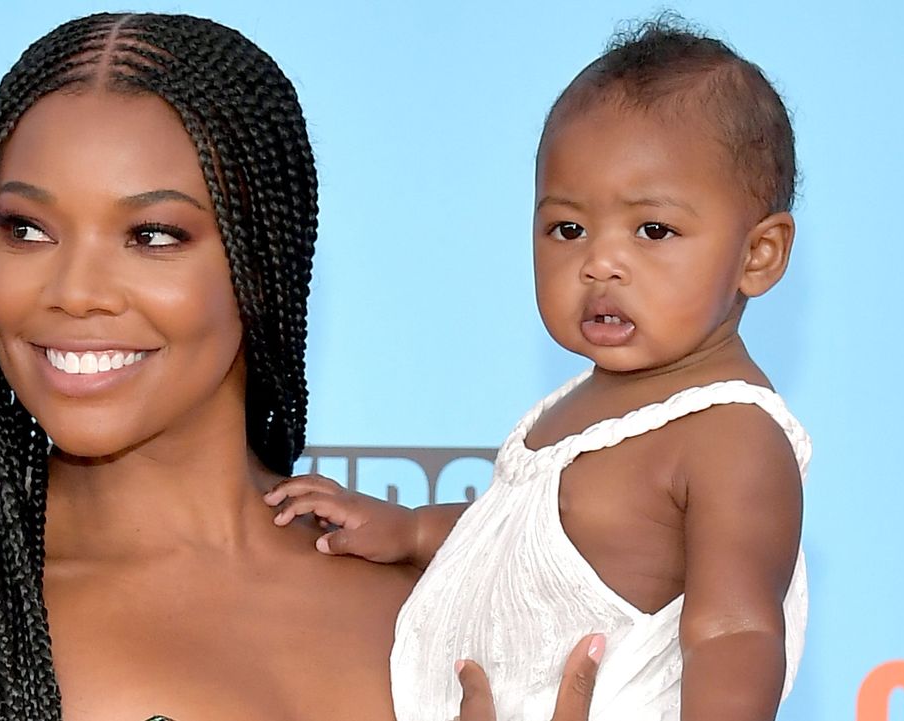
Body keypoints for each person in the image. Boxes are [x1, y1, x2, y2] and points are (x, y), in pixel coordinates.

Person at [0, 12, 600, 721]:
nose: (75, 292)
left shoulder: (445, 593)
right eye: (26, 229)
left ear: (260, 265)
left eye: (152, 235)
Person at [268, 18, 808, 721]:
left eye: (653, 230)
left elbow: (736, 631)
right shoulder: (583, 402)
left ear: (758, 255)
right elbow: (525, 542)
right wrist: (412, 531)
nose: (599, 262)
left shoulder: (731, 435)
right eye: (568, 228)